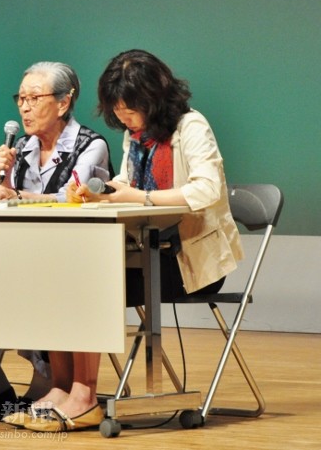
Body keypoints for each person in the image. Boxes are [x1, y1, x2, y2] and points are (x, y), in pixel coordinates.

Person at [23, 49, 244, 432]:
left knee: (86, 285)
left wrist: (139, 197)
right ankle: (61, 388)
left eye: (129, 108)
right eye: (117, 109)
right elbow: (127, 181)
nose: (122, 116)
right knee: (57, 278)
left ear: (154, 98)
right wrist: (100, 192)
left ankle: (84, 397)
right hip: (140, 253)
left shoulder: (190, 126)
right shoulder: (135, 135)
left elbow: (207, 189)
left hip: (187, 261)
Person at [0, 61, 114, 422]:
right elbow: (8, 201)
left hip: (80, 256)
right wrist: (3, 180)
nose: (24, 108)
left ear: (63, 103)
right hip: (28, 253)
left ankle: (60, 385)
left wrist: (17, 195)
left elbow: (75, 197)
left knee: (50, 280)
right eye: (21, 99)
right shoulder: (23, 147)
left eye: (34, 98)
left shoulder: (91, 145)